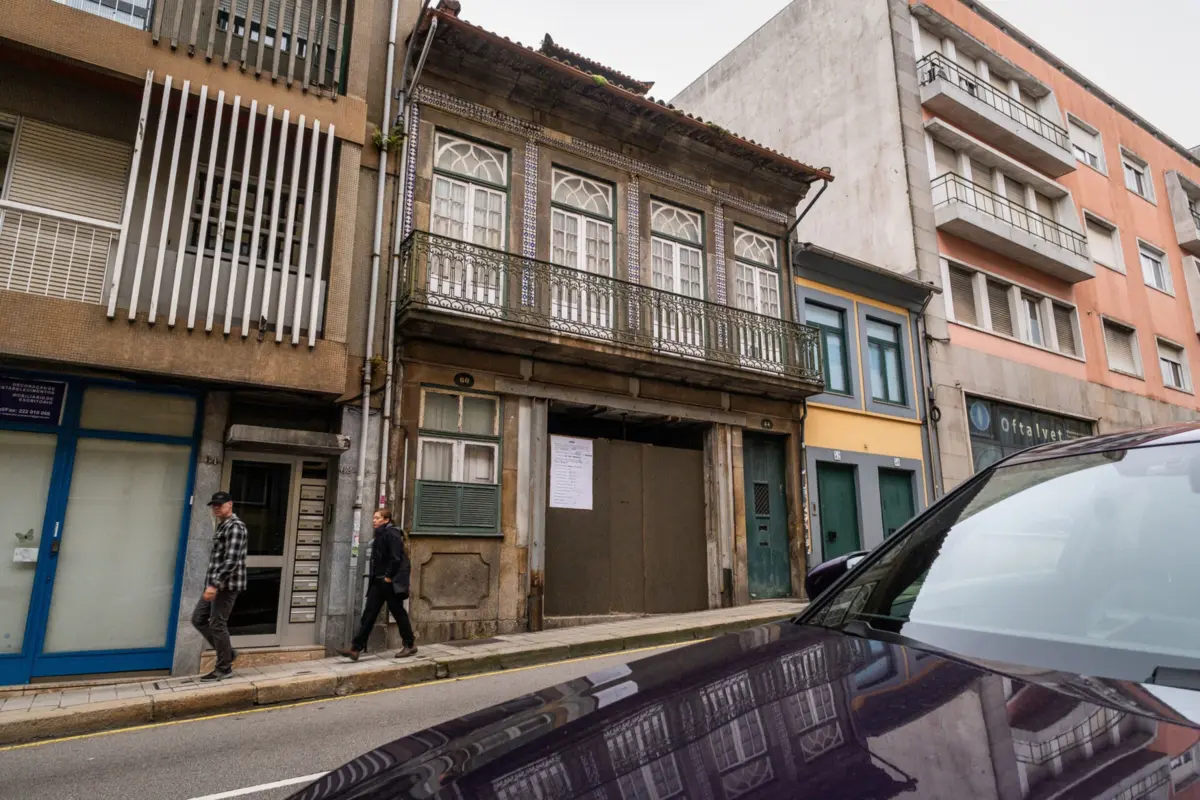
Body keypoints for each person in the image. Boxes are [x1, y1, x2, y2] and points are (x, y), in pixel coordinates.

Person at [338, 508, 417, 661]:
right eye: (373, 518)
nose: (374, 520)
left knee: (398, 612)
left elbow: (396, 558)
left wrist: (388, 577)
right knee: (369, 613)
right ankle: (355, 649)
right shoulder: (380, 534)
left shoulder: (392, 533)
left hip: (388, 581)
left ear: (386, 520)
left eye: (377, 518)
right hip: (378, 580)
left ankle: (410, 644)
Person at [192, 491, 248, 682]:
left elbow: (231, 560)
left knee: (217, 623)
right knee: (199, 618)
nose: (216, 507)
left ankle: (224, 667)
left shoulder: (235, 527)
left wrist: (214, 585)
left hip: (226, 585)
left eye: (220, 504)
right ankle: (228, 653)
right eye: (213, 505)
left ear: (230, 504)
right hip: (216, 584)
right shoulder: (223, 526)